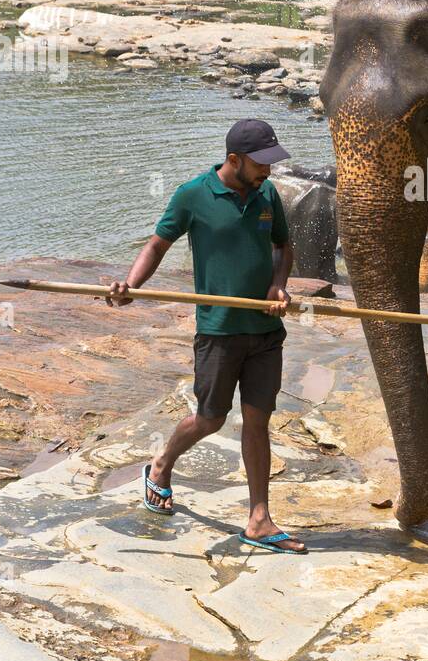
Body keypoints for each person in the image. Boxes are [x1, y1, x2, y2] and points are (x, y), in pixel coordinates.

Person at [108, 119, 306, 553]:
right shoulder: (193, 194)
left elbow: (283, 247)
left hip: (265, 330)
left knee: (258, 421)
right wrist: (131, 287)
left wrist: (278, 286)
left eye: (272, 162)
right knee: (210, 418)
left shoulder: (267, 194)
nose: (269, 171)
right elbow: (158, 243)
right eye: (261, 163)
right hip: (219, 331)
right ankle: (161, 465)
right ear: (234, 159)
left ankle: (258, 519)